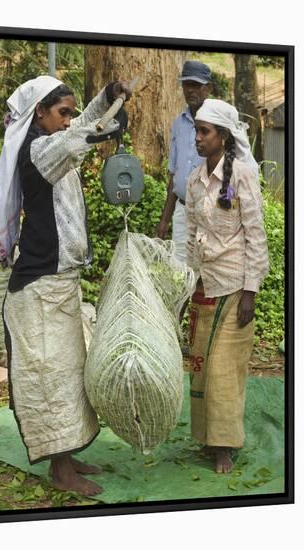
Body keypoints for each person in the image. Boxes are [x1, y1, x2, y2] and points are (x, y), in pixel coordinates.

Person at [0, 75, 132, 496]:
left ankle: (67, 457)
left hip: (60, 285)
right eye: (61, 112)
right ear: (39, 113)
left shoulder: (56, 138)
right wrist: (103, 121)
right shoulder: (39, 149)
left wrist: (108, 95)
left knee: (69, 377)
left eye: (70, 112)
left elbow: (84, 126)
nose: (68, 120)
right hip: (38, 290)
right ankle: (60, 471)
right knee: (50, 381)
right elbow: (80, 137)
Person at [185, 98, 268, 473]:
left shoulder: (243, 176)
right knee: (201, 367)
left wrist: (251, 291)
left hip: (235, 286)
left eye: (205, 132)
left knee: (223, 371)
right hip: (204, 285)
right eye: (197, 131)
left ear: (223, 136)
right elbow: (189, 236)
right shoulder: (194, 178)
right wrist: (186, 283)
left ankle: (225, 446)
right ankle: (205, 438)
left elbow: (256, 235)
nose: (198, 138)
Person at [156, 60, 212, 263]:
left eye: (196, 85)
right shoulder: (179, 123)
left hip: (208, 214)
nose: (190, 90)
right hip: (181, 210)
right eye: (186, 84)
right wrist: (164, 220)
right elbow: (174, 174)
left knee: (205, 271)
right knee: (179, 271)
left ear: (208, 88)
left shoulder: (217, 125)